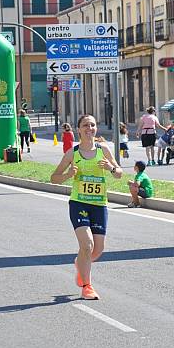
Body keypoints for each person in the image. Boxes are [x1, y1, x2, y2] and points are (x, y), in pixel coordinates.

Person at [50, 114, 123, 300]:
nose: (89, 128)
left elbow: (119, 174)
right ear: (78, 129)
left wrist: (111, 168)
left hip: (99, 204)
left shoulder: (103, 149)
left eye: (92, 125)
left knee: (97, 251)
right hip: (79, 203)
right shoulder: (72, 154)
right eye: (85, 125)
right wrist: (68, 174)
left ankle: (80, 264)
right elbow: (54, 177)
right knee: (87, 244)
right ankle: (87, 286)